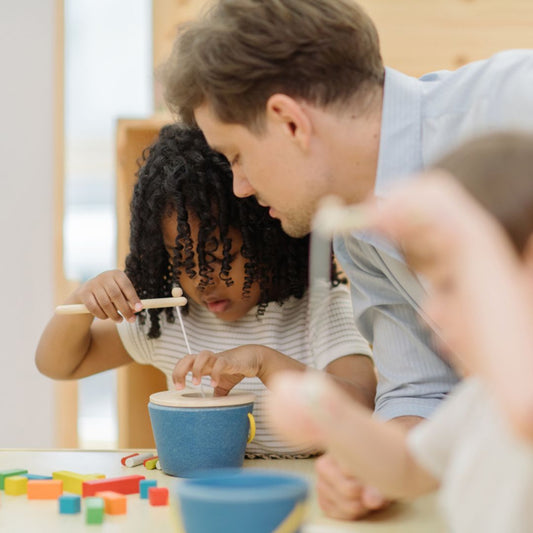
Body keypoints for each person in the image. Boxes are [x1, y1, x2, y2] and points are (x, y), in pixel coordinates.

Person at [161, 0, 533, 518]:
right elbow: (423, 392)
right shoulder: (356, 234)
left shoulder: (517, 102)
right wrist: (370, 465)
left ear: (289, 122)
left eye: (237, 156)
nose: (239, 187)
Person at [35, 123, 374, 457]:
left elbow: (363, 405)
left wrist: (264, 362)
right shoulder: (169, 319)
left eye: (221, 258)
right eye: (182, 260)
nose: (202, 280)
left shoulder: (320, 308)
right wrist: (83, 300)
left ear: (268, 237)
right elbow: (59, 365)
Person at [266, 131, 533, 532]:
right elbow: (407, 468)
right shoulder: (481, 398)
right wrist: (334, 416)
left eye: (451, 284)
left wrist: (468, 228)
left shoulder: (519, 396)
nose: (430, 313)